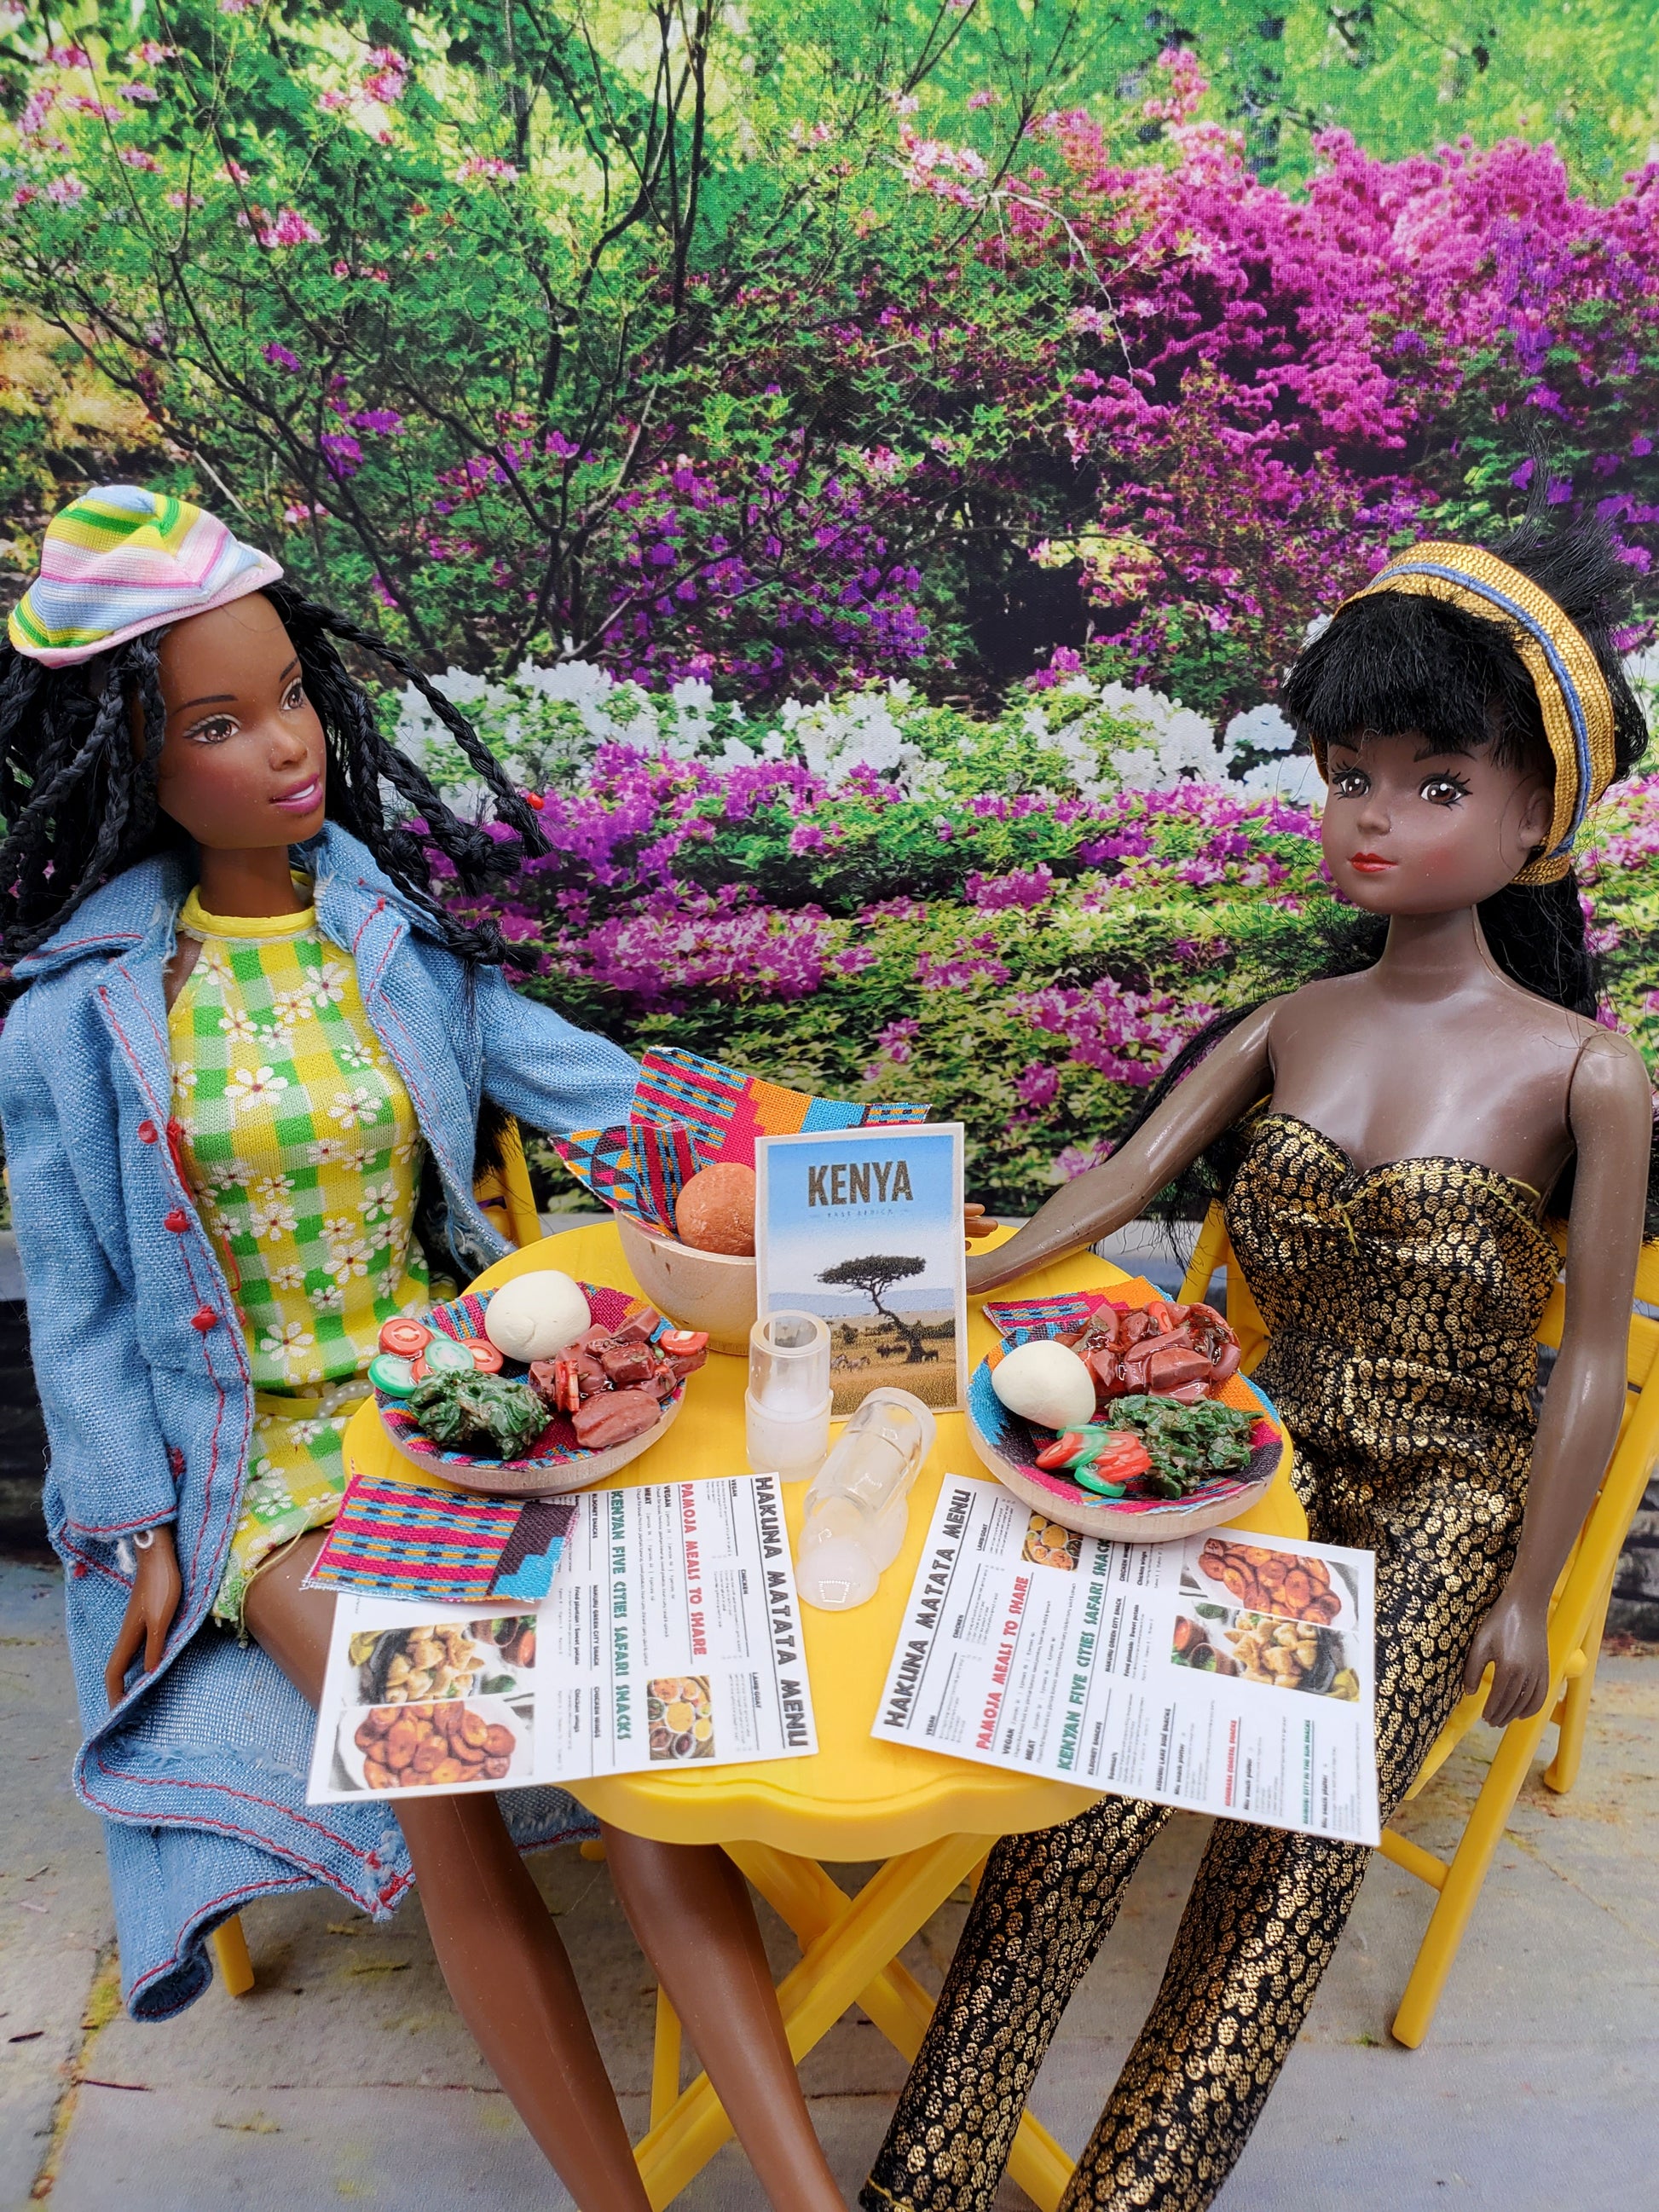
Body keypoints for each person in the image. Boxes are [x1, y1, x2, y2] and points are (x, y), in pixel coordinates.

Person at [0, 486, 847, 2212]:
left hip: (458, 1411)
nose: (284, 747)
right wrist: (131, 1524)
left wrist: (845, 1168)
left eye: (290, 695)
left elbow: (604, 1086)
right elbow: (80, 1301)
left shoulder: (382, 944)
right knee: (446, 1757)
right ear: (128, 761)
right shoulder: (74, 1019)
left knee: (644, 1757)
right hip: (272, 1485)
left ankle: (806, 2198)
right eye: (218, 725)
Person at [860, 514, 1657, 2212]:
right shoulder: (1293, 1020)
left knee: (1286, 1854)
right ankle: (918, 2180)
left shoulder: (1586, 1073)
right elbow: (1115, 1183)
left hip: (1440, 1498)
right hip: (1248, 1452)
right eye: (1348, 773)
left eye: (1433, 780)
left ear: (1536, 818)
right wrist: (927, 1270)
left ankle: (1134, 2194)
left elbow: (1588, 1359)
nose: (1374, 815)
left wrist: (1528, 1589)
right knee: (1079, 1797)